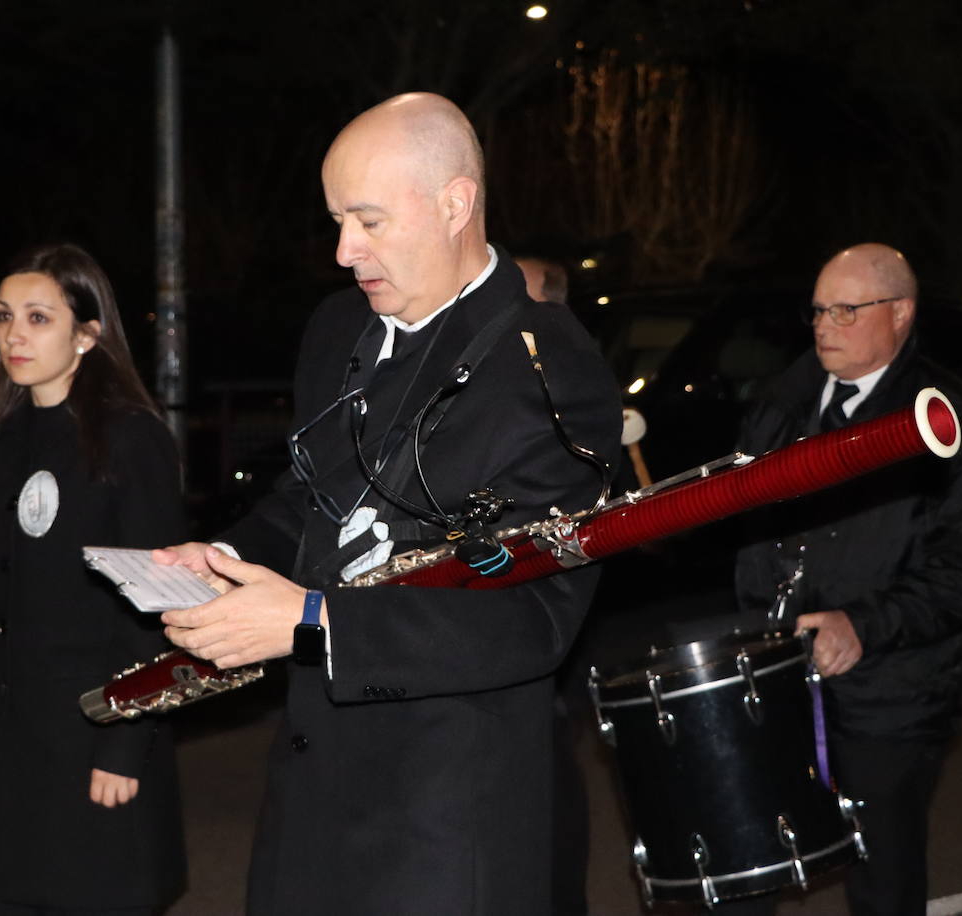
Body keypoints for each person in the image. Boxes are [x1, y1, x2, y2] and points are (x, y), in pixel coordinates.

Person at [154, 92, 622, 915]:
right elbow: (306, 498)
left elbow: (537, 617)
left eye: (367, 220)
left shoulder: (552, 369)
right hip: (311, 788)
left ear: (455, 204)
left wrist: (314, 621)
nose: (344, 251)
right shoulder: (339, 328)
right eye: (337, 220)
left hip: (446, 819)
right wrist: (224, 561)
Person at [0, 244, 188, 915]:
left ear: (88, 333)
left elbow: (154, 605)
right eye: (4, 317)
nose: (14, 335)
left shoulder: (130, 438)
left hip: (85, 736)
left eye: (38, 318)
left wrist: (123, 742)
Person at [731, 243, 962, 914]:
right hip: (776, 682)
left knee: (882, 885)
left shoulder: (943, 420)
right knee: (742, 872)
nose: (826, 324)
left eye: (848, 310)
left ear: (902, 313)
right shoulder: (783, 403)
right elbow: (743, 524)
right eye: (820, 309)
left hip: (891, 695)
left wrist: (865, 624)